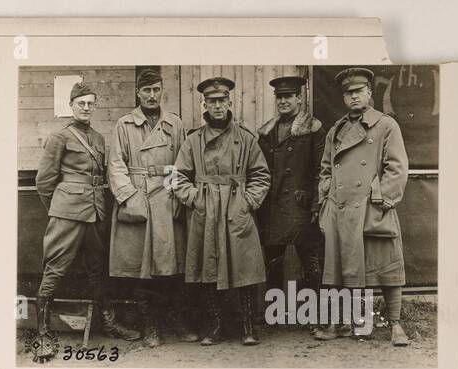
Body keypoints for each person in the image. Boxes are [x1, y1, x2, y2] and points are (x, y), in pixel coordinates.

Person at [31, 78, 140, 362]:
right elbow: (44, 182)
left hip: (95, 212)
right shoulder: (60, 137)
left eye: (91, 104)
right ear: (71, 106)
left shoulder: (99, 139)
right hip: (67, 212)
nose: (86, 108)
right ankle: (42, 334)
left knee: (97, 269)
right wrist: (59, 207)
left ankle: (108, 322)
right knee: (55, 268)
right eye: (81, 104)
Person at [171, 76, 271, 346]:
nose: (217, 106)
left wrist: (248, 201)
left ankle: (248, 327)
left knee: (244, 268)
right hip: (206, 210)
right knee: (207, 267)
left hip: (237, 207)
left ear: (230, 103)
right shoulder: (193, 140)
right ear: (205, 104)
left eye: (222, 101)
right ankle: (214, 327)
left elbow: (261, 175)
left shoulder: (246, 139)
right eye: (212, 101)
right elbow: (177, 176)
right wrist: (195, 198)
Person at [316, 67, 411, 345]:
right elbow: (325, 170)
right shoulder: (337, 129)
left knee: (387, 267)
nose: (354, 96)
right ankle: (341, 323)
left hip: (372, 207)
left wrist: (380, 199)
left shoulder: (385, 125)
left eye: (358, 91)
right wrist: (325, 201)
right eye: (348, 92)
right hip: (340, 209)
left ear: (369, 93)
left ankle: (395, 325)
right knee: (338, 269)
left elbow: (396, 168)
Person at [106, 67, 195, 347]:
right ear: (138, 93)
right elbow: (115, 165)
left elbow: (184, 163)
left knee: (172, 268)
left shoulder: (175, 124)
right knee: (141, 270)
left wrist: (179, 195)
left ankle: (175, 321)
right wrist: (130, 197)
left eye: (156, 89)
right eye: (147, 90)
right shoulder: (124, 125)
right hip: (139, 197)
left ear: (161, 91)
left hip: (167, 198)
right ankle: (150, 326)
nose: (152, 95)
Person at [256, 75, 326, 332]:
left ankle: (313, 317)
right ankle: (276, 316)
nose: (284, 101)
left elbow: (322, 170)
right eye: (280, 97)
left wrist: (316, 204)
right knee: (273, 262)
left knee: (310, 262)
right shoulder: (267, 132)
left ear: (299, 98)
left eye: (289, 96)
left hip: (302, 207)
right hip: (272, 208)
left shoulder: (313, 130)